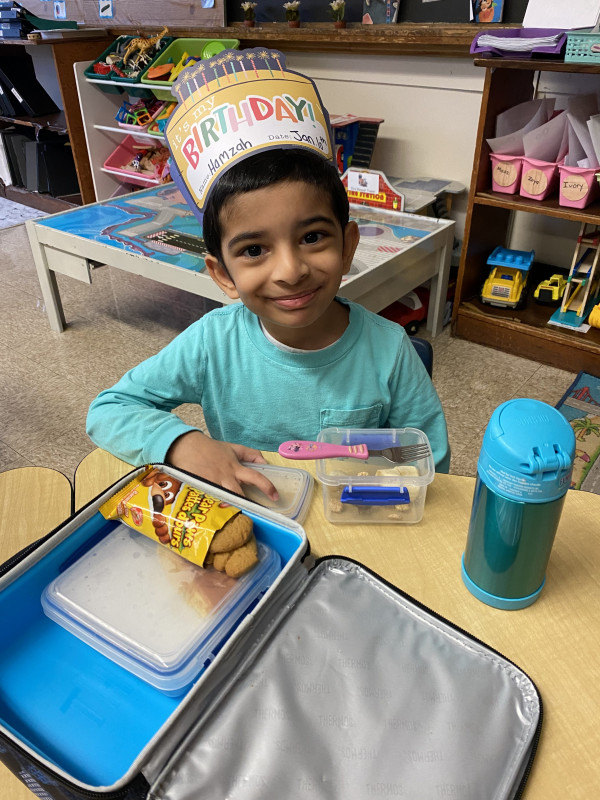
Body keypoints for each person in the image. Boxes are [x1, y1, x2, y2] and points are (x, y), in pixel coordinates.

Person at [87, 147, 450, 499]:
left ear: (347, 247)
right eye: (254, 250)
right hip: (254, 515)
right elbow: (109, 410)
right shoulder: (213, 342)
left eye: (312, 238)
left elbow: (429, 461)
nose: (291, 272)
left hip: (355, 514)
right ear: (223, 275)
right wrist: (182, 443)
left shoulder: (390, 349)